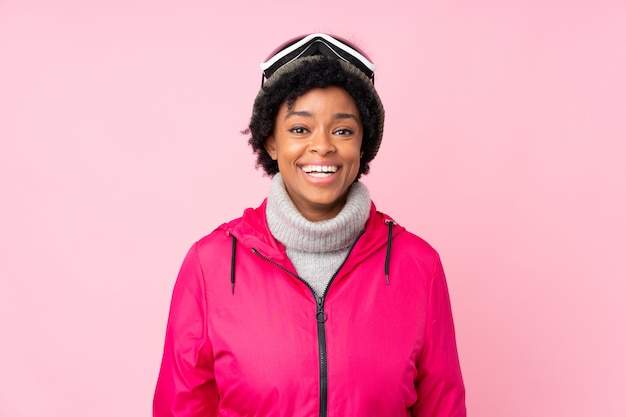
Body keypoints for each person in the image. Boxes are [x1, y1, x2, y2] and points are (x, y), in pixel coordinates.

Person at [153, 33, 466, 417]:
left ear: (363, 142)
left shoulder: (419, 266)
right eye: (300, 129)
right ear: (271, 142)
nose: (322, 147)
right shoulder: (210, 265)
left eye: (343, 130)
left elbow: (442, 409)